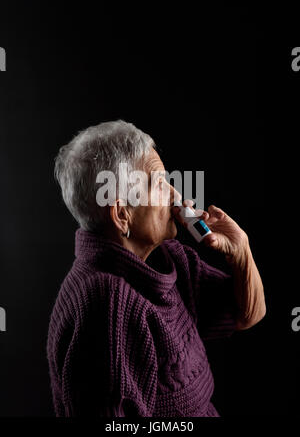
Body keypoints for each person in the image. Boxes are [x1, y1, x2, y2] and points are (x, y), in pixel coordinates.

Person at [47, 119, 266, 417]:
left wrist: (241, 251)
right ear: (122, 215)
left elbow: (247, 314)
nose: (177, 197)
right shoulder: (108, 304)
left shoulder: (168, 258)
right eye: (158, 184)